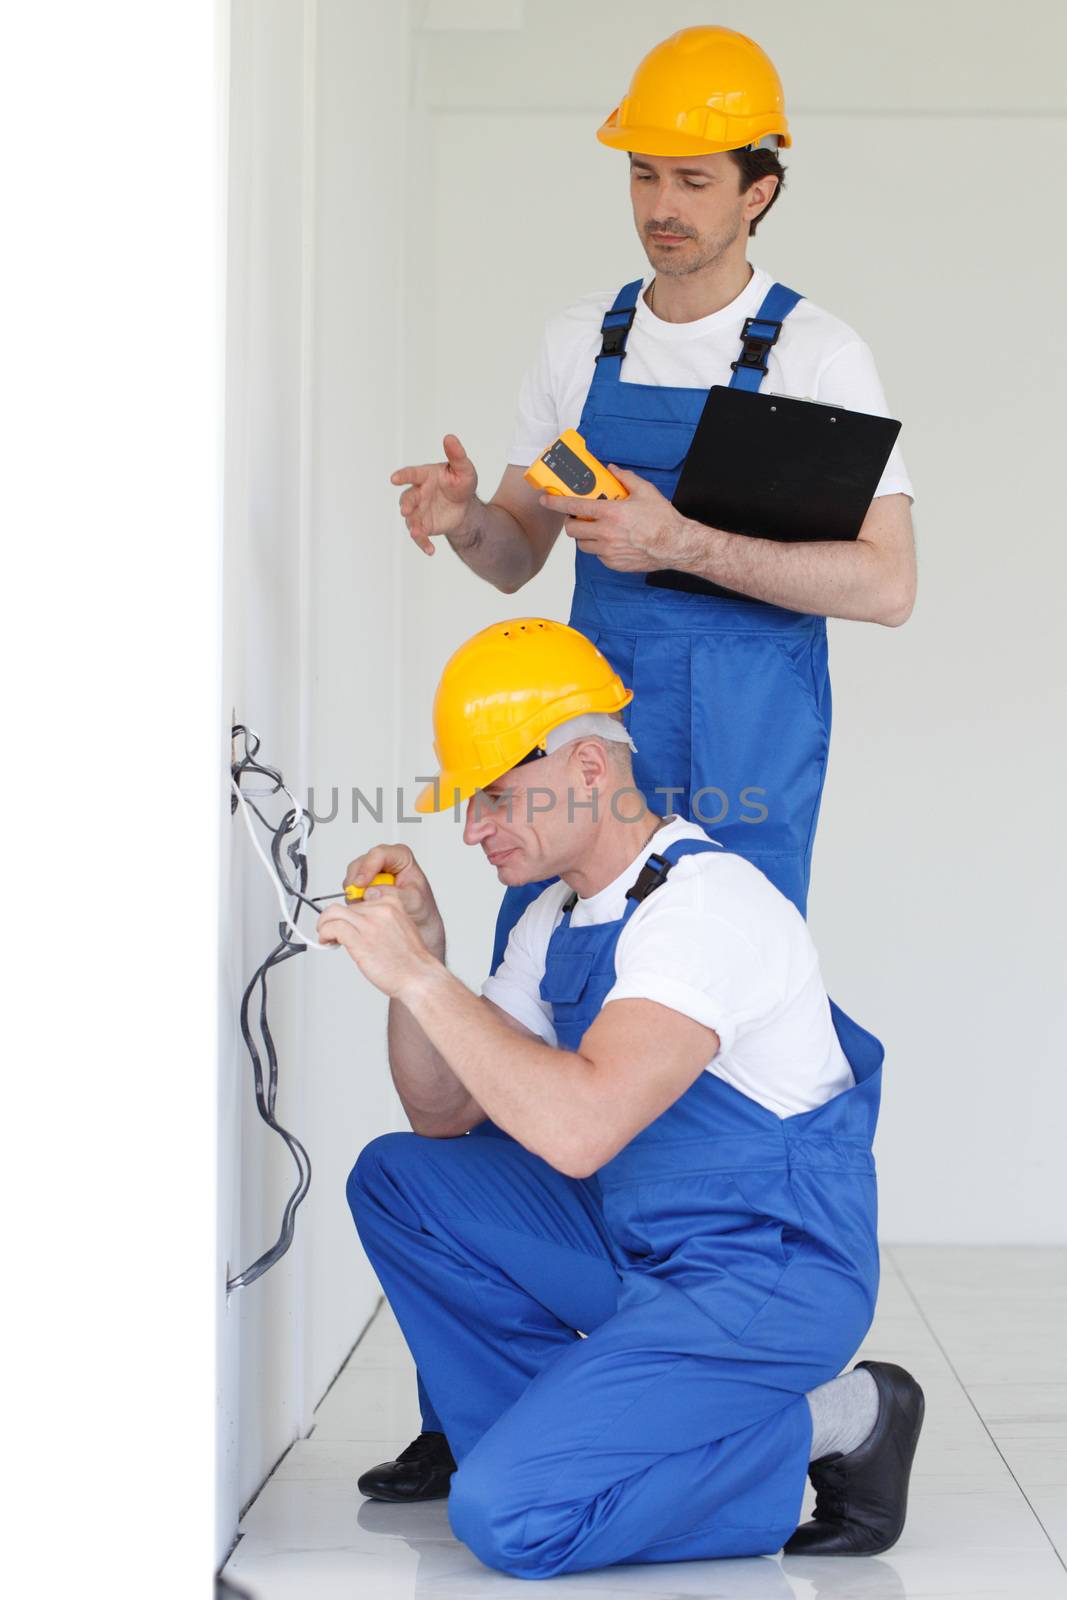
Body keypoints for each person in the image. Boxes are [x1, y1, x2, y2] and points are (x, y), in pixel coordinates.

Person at [318, 619, 924, 1579]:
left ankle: (838, 1420)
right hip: (638, 1245)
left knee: (513, 1521)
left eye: (496, 799)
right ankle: (563, 1441)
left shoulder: (704, 911)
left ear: (589, 767)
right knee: (401, 1179)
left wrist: (427, 985)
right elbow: (441, 1115)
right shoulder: (559, 915)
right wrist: (421, 964)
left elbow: (576, 1128)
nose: (474, 830)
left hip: (761, 1277)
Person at [390, 24, 915, 963]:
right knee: (551, 980)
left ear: (759, 191)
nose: (659, 205)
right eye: (643, 175)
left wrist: (678, 543)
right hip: (581, 733)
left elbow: (887, 586)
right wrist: (468, 519)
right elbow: (515, 559)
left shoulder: (816, 357)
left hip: (746, 740)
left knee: (721, 986)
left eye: (692, 180)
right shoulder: (578, 341)